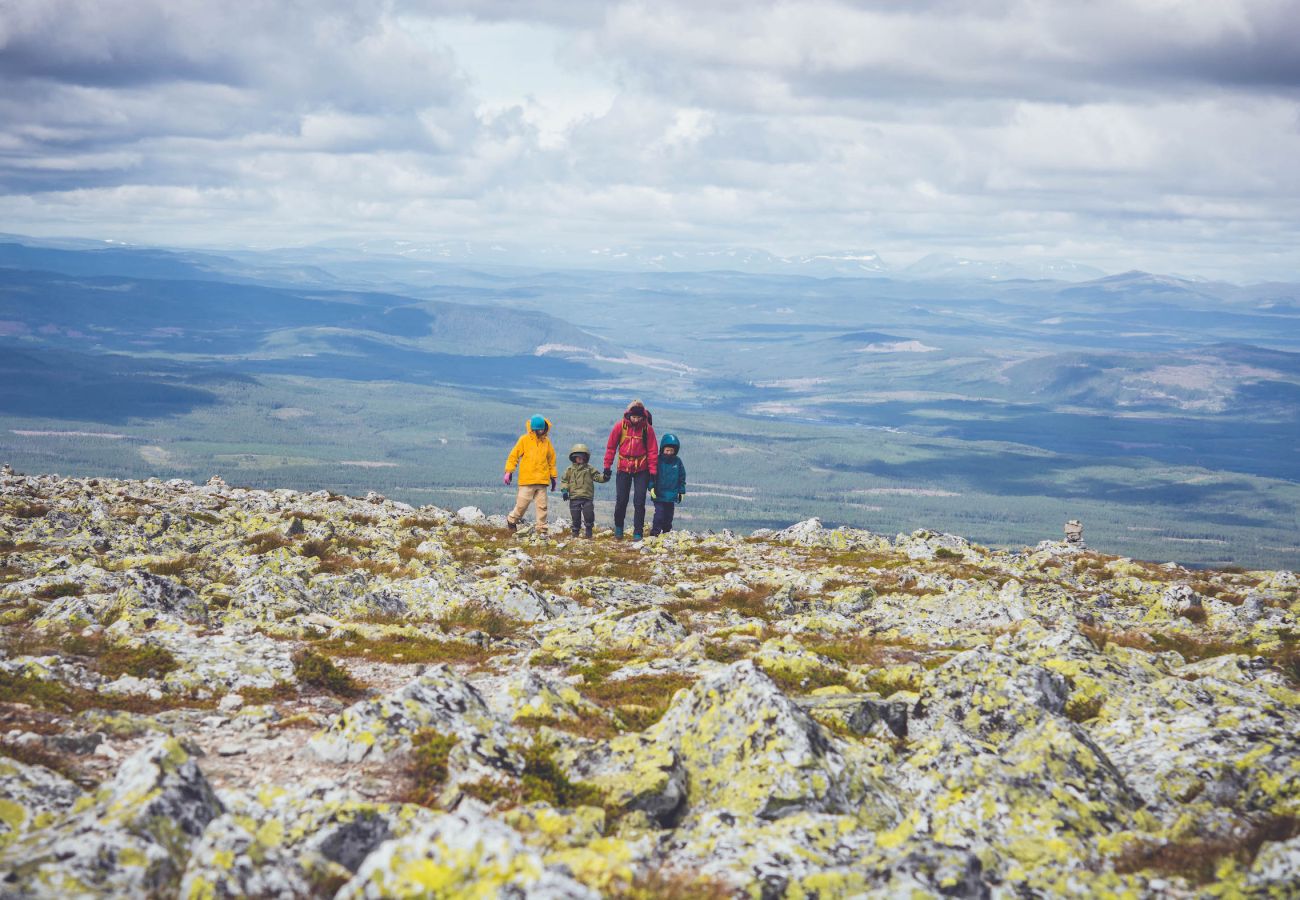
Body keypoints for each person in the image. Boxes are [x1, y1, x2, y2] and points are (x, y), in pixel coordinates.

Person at [602, 399, 657, 540]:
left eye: (639, 417)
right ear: (629, 415)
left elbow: (652, 451)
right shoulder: (620, 427)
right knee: (621, 500)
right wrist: (607, 467)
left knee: (639, 502)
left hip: (642, 469)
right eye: (634, 417)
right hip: (623, 468)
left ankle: (637, 532)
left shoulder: (647, 429)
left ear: (643, 416)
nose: (636, 420)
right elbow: (611, 447)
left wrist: (653, 473)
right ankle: (618, 529)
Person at [503, 414, 556, 535]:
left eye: (542, 429)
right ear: (533, 429)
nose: (541, 431)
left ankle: (542, 529)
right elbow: (513, 456)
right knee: (522, 505)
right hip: (527, 480)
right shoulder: (524, 440)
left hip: (542, 481)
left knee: (542, 507)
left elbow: (551, 461)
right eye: (539, 429)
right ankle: (512, 520)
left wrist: (553, 477)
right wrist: (509, 471)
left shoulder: (547, 442)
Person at [560, 443, 609, 538]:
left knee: (589, 514)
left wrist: (605, 477)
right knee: (575, 516)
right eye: (577, 457)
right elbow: (564, 480)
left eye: (582, 457)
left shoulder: (589, 469)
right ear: (573, 458)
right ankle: (575, 533)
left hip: (587, 496)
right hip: (574, 497)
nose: (580, 459)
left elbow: (598, 477)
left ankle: (589, 532)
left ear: (585, 458)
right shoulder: (569, 470)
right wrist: (564, 490)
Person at [649, 433, 686, 536]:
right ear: (662, 449)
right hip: (659, 494)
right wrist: (651, 487)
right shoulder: (657, 460)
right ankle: (654, 534)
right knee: (659, 514)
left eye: (671, 450)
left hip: (671, 495)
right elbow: (651, 475)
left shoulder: (677, 462)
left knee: (669, 516)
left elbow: (682, 477)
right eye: (667, 450)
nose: (669, 452)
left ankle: (666, 533)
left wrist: (681, 491)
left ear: (675, 451)